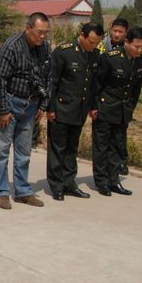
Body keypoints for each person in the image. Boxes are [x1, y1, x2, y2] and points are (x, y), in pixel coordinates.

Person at [0, 12, 52, 209]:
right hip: (10, 103)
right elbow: (0, 80)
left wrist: (43, 105)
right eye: (39, 32)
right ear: (28, 28)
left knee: (24, 152)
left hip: (31, 106)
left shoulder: (45, 48)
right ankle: (1, 192)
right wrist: (2, 109)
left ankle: (22, 191)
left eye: (45, 33)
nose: (42, 36)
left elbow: (48, 77)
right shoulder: (12, 46)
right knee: (1, 151)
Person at [46, 22, 104, 201]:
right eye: (91, 42)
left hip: (80, 110)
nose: (93, 45)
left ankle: (69, 182)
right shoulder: (64, 52)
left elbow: (93, 84)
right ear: (82, 35)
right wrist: (50, 108)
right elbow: (52, 82)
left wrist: (93, 106)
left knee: (72, 148)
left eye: (97, 43)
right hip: (61, 108)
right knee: (58, 148)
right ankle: (57, 185)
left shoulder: (95, 55)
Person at [92, 27, 142, 197]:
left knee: (117, 146)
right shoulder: (110, 58)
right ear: (127, 42)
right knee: (102, 146)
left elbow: (136, 88)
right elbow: (97, 84)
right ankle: (101, 181)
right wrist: (94, 106)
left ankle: (114, 180)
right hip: (105, 107)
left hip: (123, 110)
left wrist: (131, 108)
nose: (140, 50)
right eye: (137, 46)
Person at [97, 17, 130, 173]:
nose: (116, 34)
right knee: (103, 139)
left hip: (121, 101)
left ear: (126, 33)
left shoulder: (129, 49)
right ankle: (103, 172)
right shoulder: (102, 46)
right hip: (104, 99)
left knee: (119, 136)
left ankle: (120, 163)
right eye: (114, 31)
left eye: (120, 32)